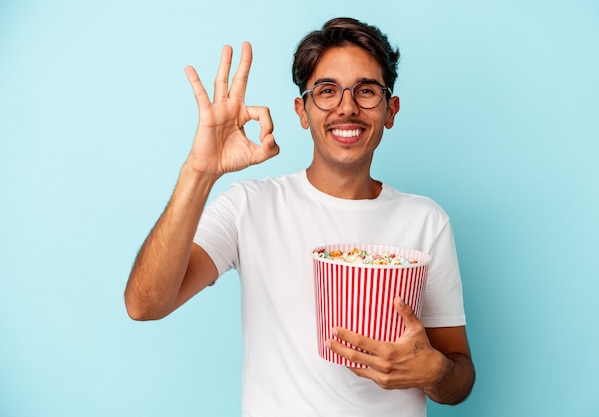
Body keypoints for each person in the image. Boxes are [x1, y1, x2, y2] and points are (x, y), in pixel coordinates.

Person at [125, 17, 475, 417]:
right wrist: (199, 172)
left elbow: (458, 378)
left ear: (390, 110)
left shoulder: (425, 220)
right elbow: (145, 305)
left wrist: (433, 371)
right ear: (302, 111)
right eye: (327, 91)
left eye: (366, 91)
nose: (347, 107)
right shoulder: (249, 206)